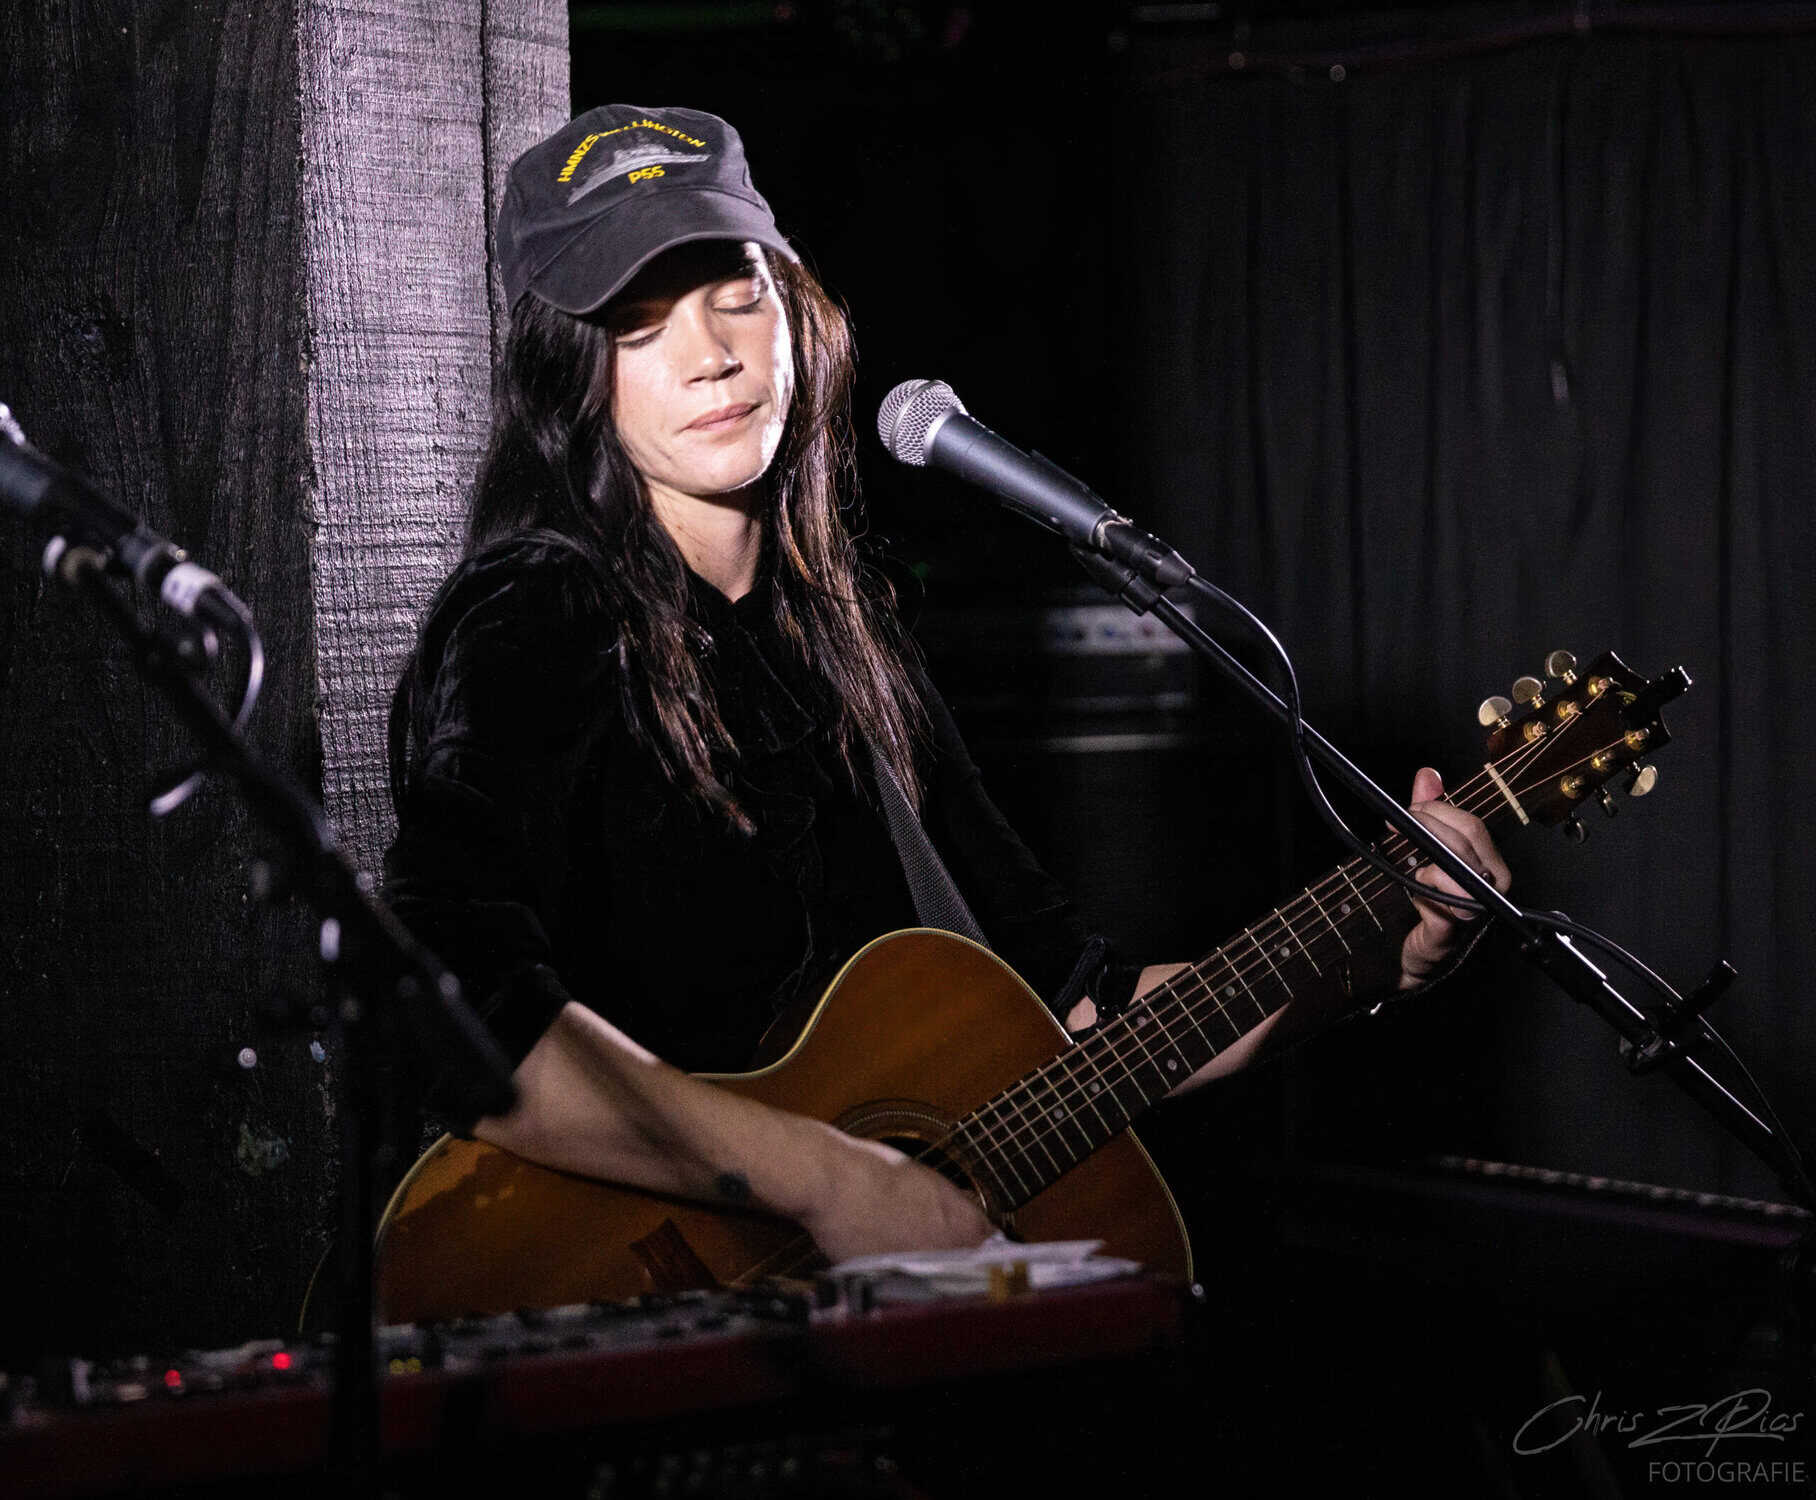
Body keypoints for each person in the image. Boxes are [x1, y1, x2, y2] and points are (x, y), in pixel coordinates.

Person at [382, 104, 1510, 1265]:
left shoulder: (845, 637)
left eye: (735, 293)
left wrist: (1361, 961)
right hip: (622, 1296)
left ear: (795, 312)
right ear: (569, 374)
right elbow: (444, 1004)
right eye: (637, 323)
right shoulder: (537, 617)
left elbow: (1068, 1011)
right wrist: (826, 1178)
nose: (710, 353)